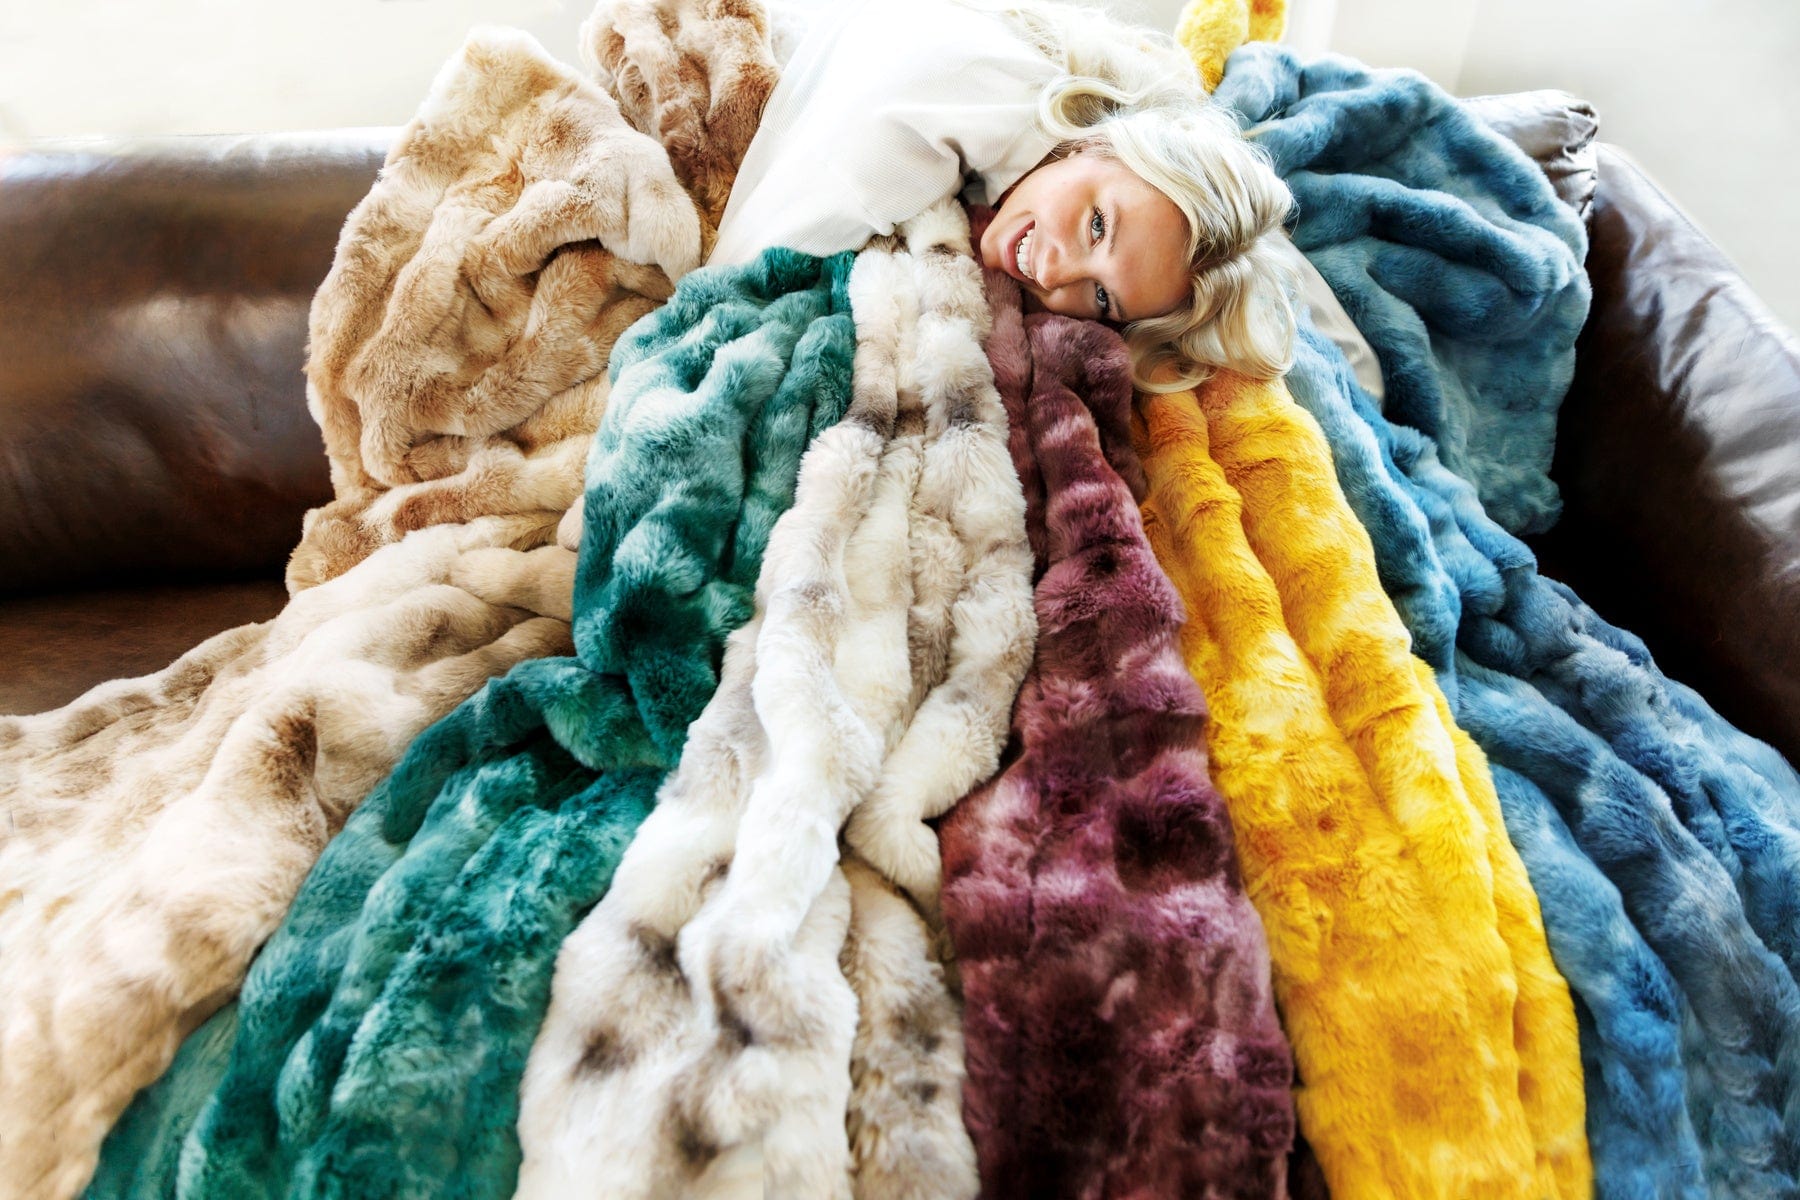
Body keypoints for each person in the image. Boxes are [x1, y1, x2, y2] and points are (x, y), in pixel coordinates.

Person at [707, 0, 1300, 393]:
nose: (1054, 274)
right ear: (1098, 142)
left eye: (1101, 297)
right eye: (1097, 226)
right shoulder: (952, 102)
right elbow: (727, 295)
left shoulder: (1031, 139)